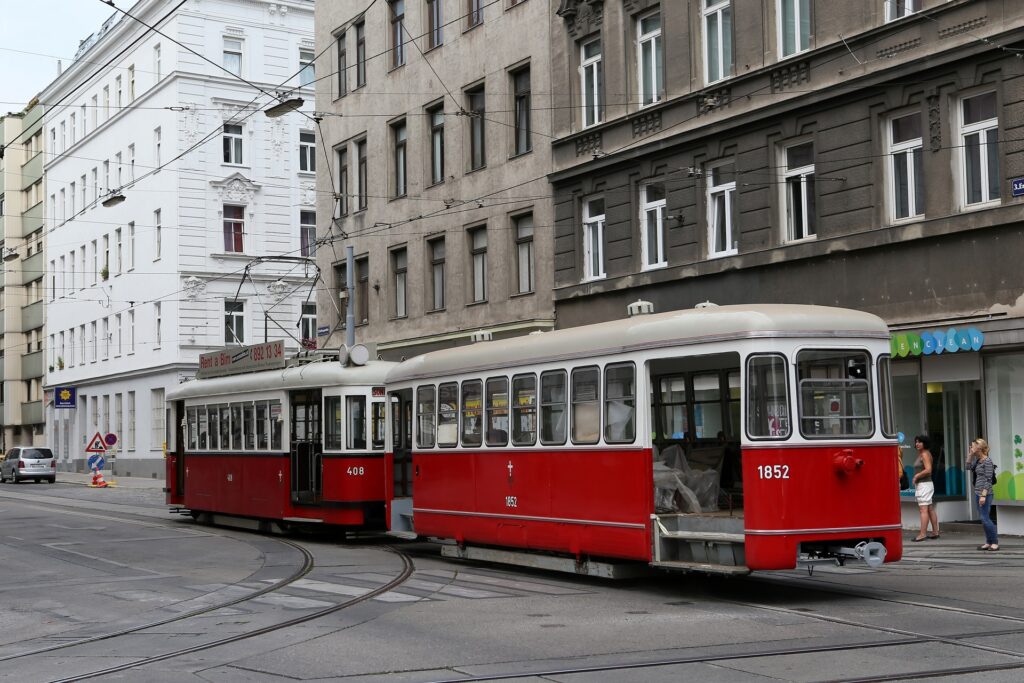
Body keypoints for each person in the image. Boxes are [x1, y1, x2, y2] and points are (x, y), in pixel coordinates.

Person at [966, 437, 999, 551]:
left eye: (973, 446)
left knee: (985, 518)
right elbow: (967, 467)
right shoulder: (978, 461)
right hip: (977, 492)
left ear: (979, 447)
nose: (972, 447)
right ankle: (988, 542)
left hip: (986, 493)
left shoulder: (987, 461)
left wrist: (983, 495)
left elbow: (989, 479)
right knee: (983, 518)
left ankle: (994, 542)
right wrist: (970, 455)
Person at [911, 434, 939, 541]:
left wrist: (916, 476)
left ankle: (922, 534)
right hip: (926, 484)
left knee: (923, 510)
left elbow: (928, 469)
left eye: (920, 442)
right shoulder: (923, 454)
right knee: (930, 508)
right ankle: (935, 532)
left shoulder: (925, 454)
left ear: (925, 443)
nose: (917, 444)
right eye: (916, 441)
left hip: (924, 485)